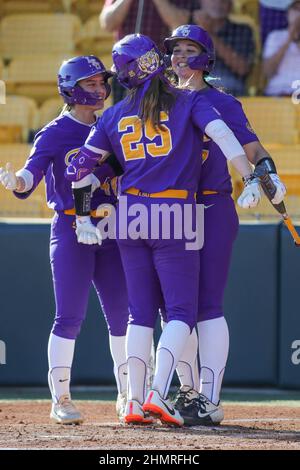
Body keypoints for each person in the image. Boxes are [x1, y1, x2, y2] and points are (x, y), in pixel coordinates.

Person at [64, 33, 262, 427]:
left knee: (139, 315)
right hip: (176, 213)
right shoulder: (189, 101)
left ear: (123, 75)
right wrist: (250, 176)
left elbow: (78, 172)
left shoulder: (112, 114)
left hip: (129, 215)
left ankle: (134, 402)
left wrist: (83, 218)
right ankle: (158, 393)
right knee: (183, 313)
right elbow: (223, 136)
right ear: (158, 61)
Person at [162, 24, 286, 425]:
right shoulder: (160, 102)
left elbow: (254, 151)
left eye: (188, 48)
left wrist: (270, 179)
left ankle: (210, 400)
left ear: (205, 56)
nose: (179, 56)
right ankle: (188, 390)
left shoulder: (224, 102)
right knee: (174, 307)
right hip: (171, 210)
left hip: (213, 207)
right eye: (175, 49)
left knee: (207, 305)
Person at [0, 56, 131, 425]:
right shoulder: (56, 131)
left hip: (111, 228)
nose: (100, 90)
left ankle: (129, 394)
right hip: (72, 230)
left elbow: (124, 165)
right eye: (90, 84)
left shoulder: (112, 124)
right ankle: (61, 397)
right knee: (69, 317)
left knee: (123, 316)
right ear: (71, 89)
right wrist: (18, 182)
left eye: (101, 83)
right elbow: (32, 173)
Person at [100, 0, 198, 102]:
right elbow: (107, 24)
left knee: (162, 112)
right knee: (124, 114)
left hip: (161, 68)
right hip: (125, 67)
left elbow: (181, 24)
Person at [192, 0, 255, 96]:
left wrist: (209, 34)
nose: (218, 3)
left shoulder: (242, 30)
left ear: (231, 4)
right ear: (201, 2)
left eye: (223, 1)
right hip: (194, 92)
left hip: (231, 92)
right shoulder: (188, 30)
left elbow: (242, 68)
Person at [263, 0, 300, 96]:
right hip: (277, 92)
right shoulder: (274, 36)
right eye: (295, 9)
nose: (298, 14)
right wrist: (289, 39)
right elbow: (268, 72)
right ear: (288, 13)